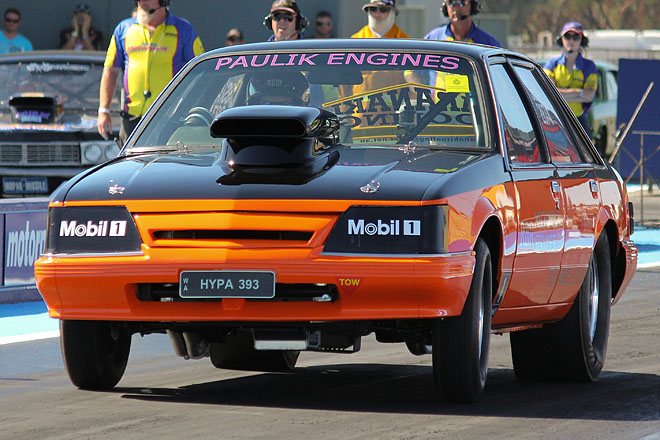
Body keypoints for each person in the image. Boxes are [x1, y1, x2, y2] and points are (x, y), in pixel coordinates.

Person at [98, 0, 204, 145]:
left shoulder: (183, 29)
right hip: (132, 118)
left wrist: (188, 107)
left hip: (169, 119)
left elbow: (200, 71)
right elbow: (110, 71)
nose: (141, 1)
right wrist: (104, 110)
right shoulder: (124, 28)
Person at [544, 22, 597, 135]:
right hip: (555, 121)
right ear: (561, 39)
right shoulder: (552, 64)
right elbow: (548, 93)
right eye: (567, 36)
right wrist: (580, 93)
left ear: (582, 40)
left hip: (580, 122)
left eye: (576, 37)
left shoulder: (589, 66)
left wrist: (559, 94)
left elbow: (589, 96)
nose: (571, 41)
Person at [424, 0, 501, 47]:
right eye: (451, 2)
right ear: (445, 7)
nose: (456, 8)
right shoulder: (432, 39)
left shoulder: (489, 44)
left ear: (473, 7)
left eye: (462, 2)